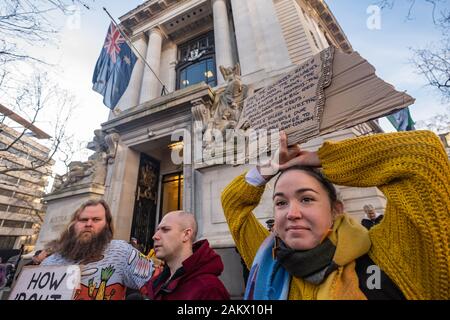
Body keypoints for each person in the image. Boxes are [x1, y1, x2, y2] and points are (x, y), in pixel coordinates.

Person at [221, 130, 449, 300]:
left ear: (336, 209)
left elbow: (423, 154)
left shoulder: (392, 253)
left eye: (306, 199)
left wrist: (317, 158)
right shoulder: (269, 262)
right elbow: (232, 202)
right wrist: (272, 166)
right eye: (280, 202)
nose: (292, 213)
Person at [41, 199, 154, 300]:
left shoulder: (122, 252)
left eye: (96, 219)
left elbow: (158, 284)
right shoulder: (49, 263)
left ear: (107, 225)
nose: (89, 224)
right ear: (73, 224)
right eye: (83, 220)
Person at [143, 211, 230, 300]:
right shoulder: (158, 283)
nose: (155, 236)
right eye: (158, 230)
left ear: (186, 234)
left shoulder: (209, 289)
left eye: (165, 229)